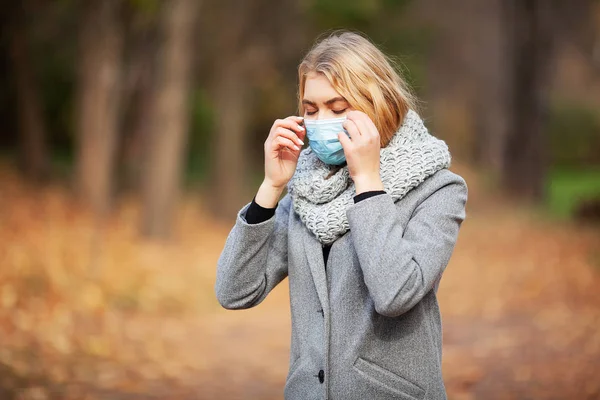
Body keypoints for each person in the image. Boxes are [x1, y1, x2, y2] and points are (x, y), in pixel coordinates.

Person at [215, 30, 468, 400]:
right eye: (310, 109)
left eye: (338, 108)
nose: (321, 121)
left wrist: (367, 181)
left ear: (377, 103)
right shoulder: (305, 192)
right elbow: (234, 291)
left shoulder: (439, 188)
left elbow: (396, 293)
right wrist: (271, 188)